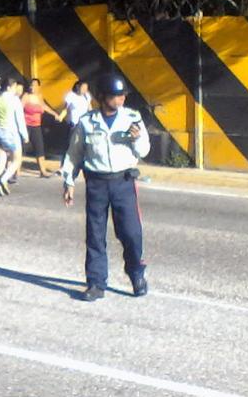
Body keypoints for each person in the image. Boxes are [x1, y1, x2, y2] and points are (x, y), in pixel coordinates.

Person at [61, 74, 151, 302]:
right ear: (102, 97)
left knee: (131, 232)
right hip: (97, 183)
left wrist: (137, 138)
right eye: (116, 96)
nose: (121, 99)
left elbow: (144, 150)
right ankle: (95, 282)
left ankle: (136, 272)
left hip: (123, 182)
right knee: (95, 234)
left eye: (122, 96)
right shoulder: (86, 122)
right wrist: (68, 181)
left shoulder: (132, 118)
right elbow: (74, 153)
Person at [0, 76, 28, 196]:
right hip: (10, 132)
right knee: (17, 159)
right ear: (9, 87)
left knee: (2, 157)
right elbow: (20, 119)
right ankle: (4, 178)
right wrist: (24, 134)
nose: (16, 89)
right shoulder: (14, 100)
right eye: (14, 87)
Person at [22, 78, 63, 178]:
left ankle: (42, 171)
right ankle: (16, 171)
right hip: (26, 125)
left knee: (39, 148)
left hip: (36, 126)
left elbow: (44, 107)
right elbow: (18, 109)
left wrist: (55, 114)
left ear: (38, 87)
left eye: (35, 85)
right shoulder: (26, 96)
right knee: (22, 148)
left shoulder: (39, 97)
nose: (32, 87)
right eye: (31, 85)